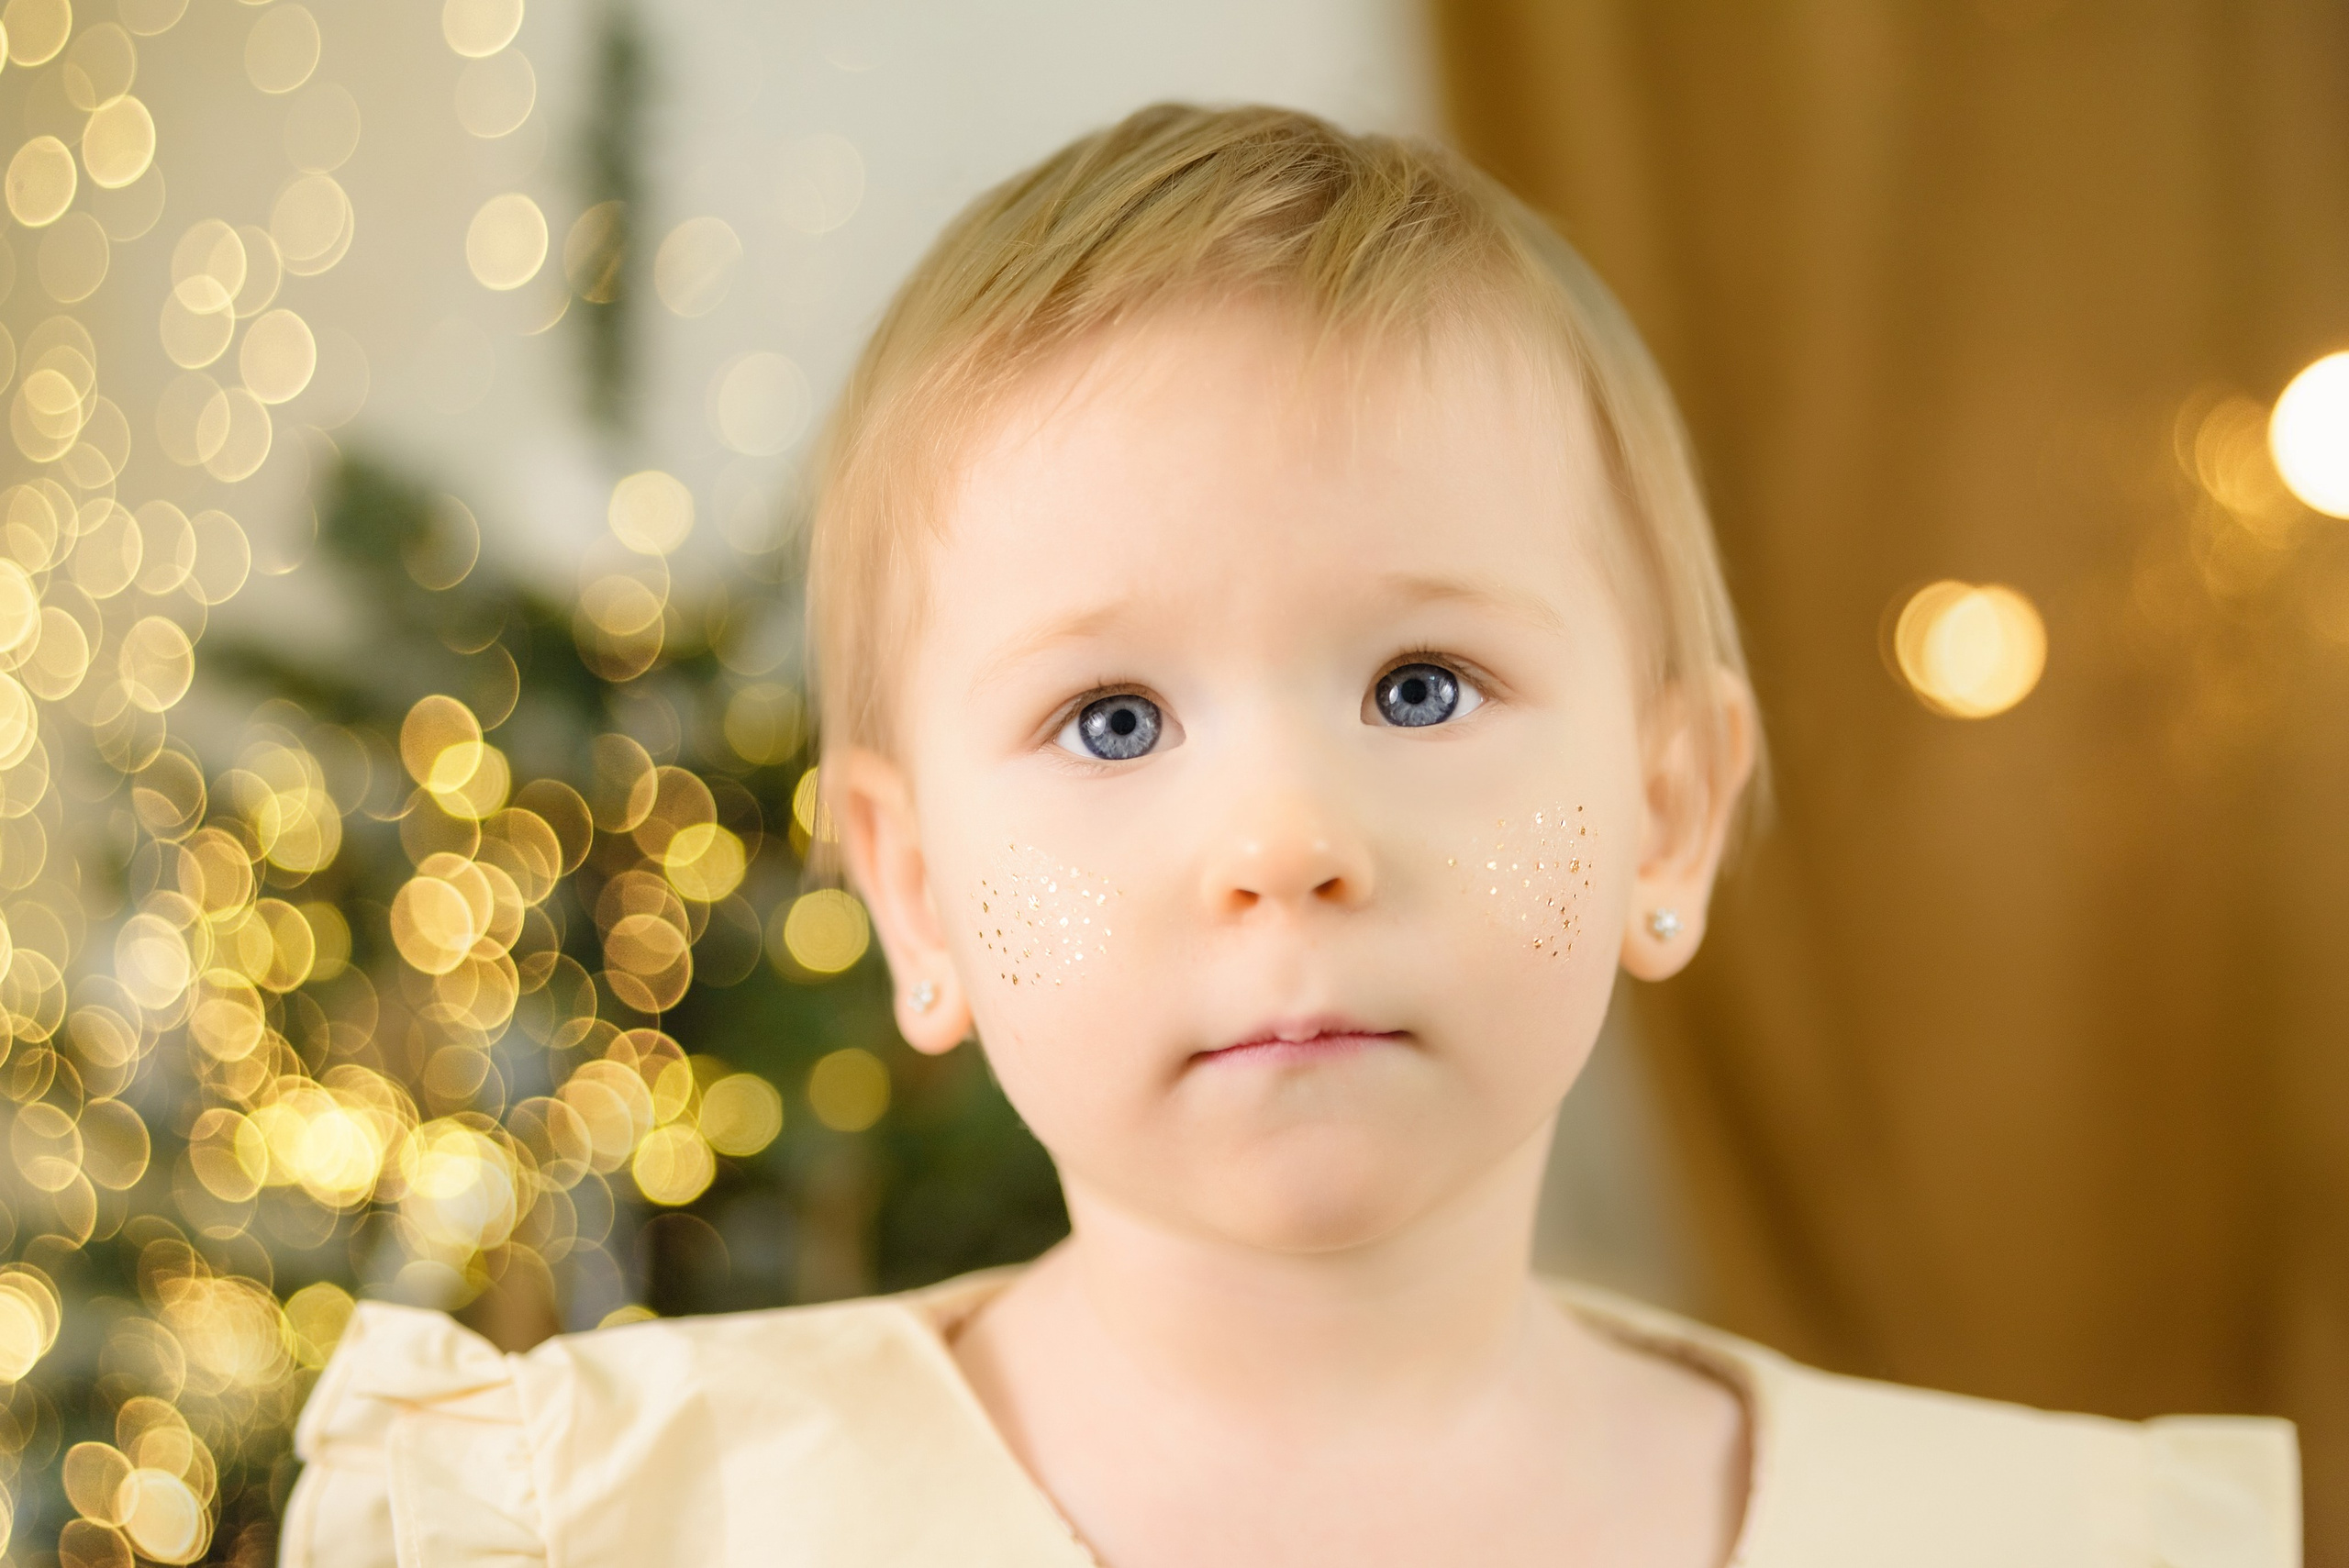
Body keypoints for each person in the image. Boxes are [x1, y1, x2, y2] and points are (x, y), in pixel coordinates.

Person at [281, 105, 2298, 1568]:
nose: (1281, 841)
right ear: (916, 893)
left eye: (1418, 685)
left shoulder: (2046, 1539)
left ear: (1664, 809)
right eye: (1112, 719)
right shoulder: (598, 1526)